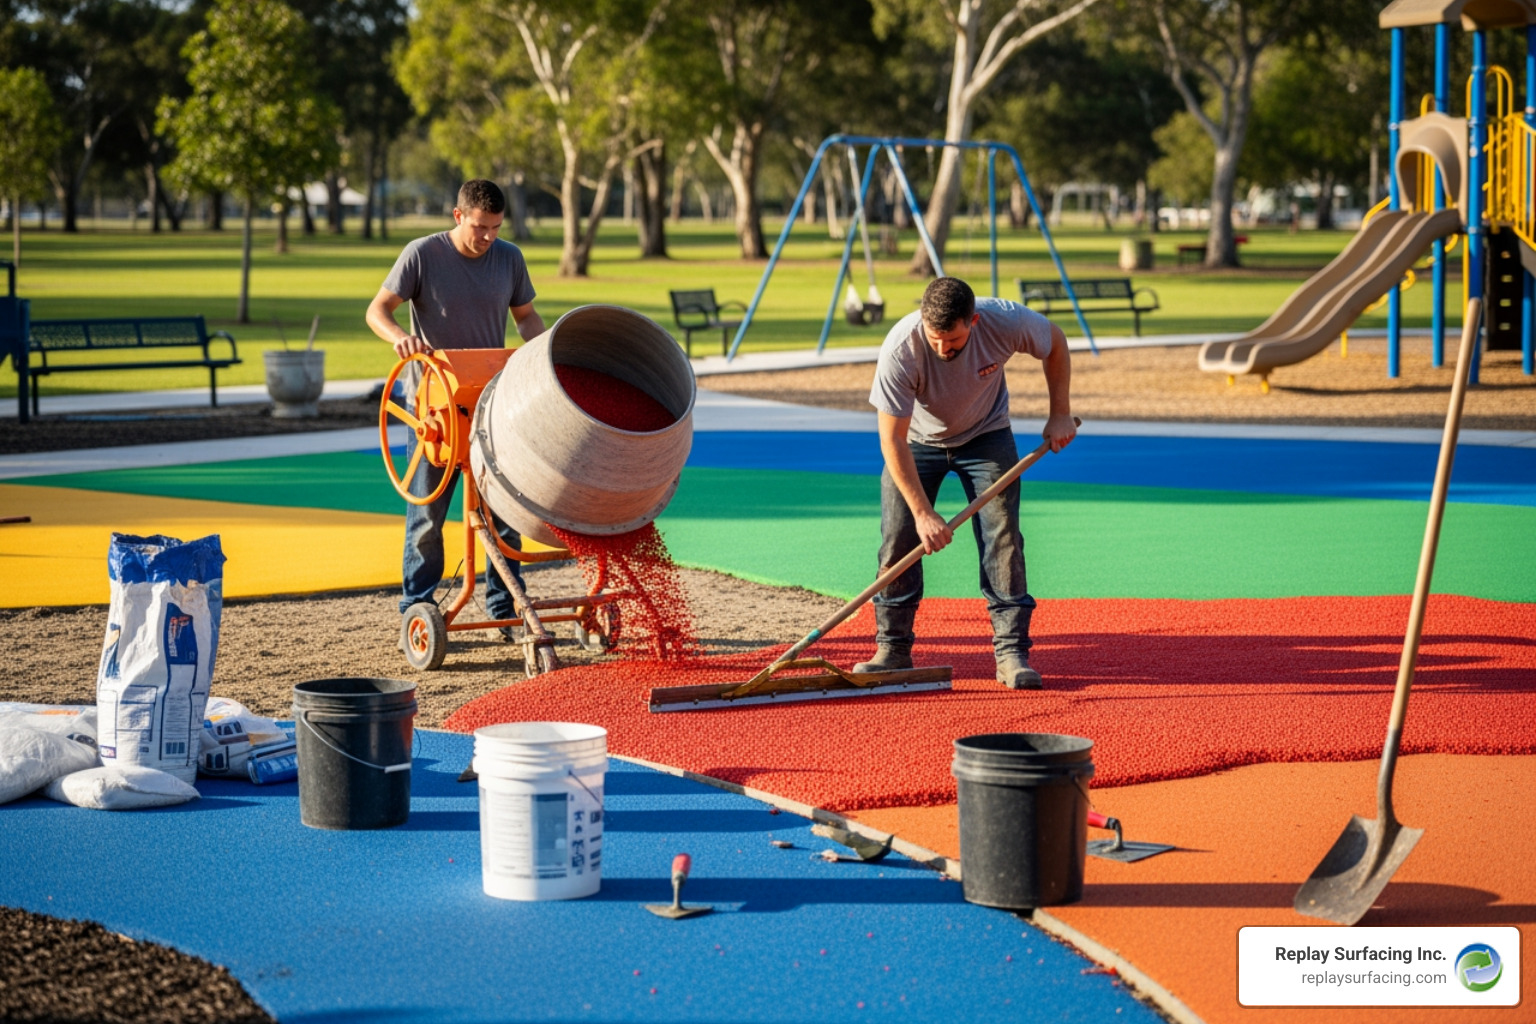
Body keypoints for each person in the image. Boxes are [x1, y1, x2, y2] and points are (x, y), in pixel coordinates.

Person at [854, 276, 1075, 690]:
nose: (942, 348)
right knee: (900, 538)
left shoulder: (1004, 322)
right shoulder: (901, 348)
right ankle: (893, 649)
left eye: (952, 340)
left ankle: (1011, 652)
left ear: (972, 322)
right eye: (934, 338)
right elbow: (892, 440)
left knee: (1003, 537)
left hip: (986, 435)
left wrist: (1060, 412)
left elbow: (1056, 342)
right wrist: (922, 513)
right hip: (916, 442)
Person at [365, 179, 545, 635]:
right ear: (457, 215)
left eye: (496, 228)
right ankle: (417, 608)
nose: (488, 237)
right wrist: (399, 338)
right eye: (480, 227)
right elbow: (377, 311)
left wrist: (545, 351)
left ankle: (504, 609)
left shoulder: (509, 259)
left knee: (502, 512)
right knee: (428, 515)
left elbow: (525, 318)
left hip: (492, 402)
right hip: (435, 407)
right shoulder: (422, 254)